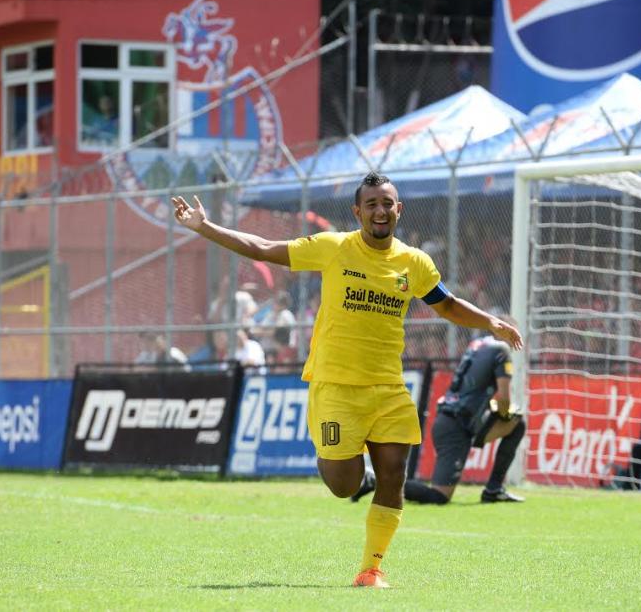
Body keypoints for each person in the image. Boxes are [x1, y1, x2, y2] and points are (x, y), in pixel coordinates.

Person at [170, 172, 522, 589]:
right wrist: (204, 227)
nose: (380, 211)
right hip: (336, 387)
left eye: (387, 203)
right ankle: (335, 456)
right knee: (344, 485)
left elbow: (446, 304)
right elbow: (263, 248)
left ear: (398, 209)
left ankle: (371, 569)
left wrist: (491, 322)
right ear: (358, 211)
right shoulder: (333, 247)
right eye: (371, 204)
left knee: (394, 472)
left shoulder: (414, 263)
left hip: (388, 387)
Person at [351, 323, 526, 506]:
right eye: (514, 333)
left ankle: (494, 490)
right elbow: (504, 399)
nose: (516, 340)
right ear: (504, 331)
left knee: (517, 424)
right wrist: (504, 415)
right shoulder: (501, 350)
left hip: (451, 419)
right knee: (439, 496)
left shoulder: (477, 345)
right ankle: (375, 480)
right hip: (459, 425)